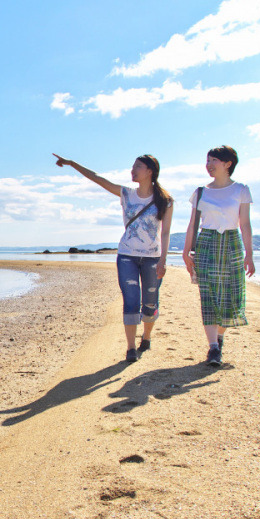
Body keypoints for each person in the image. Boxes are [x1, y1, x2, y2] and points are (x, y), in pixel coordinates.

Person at [54, 153, 174, 362]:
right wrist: (72, 163)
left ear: (150, 171)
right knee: (130, 301)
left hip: (152, 258)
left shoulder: (165, 200)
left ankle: (146, 337)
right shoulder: (126, 194)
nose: (132, 170)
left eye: (137, 166)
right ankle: (130, 348)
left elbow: (165, 233)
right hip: (127, 254)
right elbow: (97, 178)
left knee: (150, 303)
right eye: (132, 166)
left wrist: (163, 260)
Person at [181, 145, 254, 367]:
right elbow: (192, 224)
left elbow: (245, 224)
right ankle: (213, 348)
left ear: (227, 164)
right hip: (206, 244)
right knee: (209, 297)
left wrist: (249, 254)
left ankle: (219, 337)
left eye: (214, 160)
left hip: (232, 243)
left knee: (230, 298)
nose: (209, 165)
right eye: (207, 160)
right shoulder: (201, 191)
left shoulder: (241, 189)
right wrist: (185, 253)